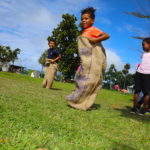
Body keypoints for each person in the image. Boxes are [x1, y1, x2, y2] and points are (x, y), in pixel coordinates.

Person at [66, 7, 110, 110]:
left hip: (93, 62)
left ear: (92, 20)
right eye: (82, 19)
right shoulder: (83, 32)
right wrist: (83, 58)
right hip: (86, 61)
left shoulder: (93, 30)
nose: (83, 20)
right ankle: (79, 101)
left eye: (86, 18)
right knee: (81, 80)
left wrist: (95, 40)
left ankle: (82, 103)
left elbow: (106, 35)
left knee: (89, 82)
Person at [131, 37, 150, 115]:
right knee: (137, 91)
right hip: (139, 73)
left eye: (144, 44)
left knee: (146, 93)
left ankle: (144, 109)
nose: (142, 46)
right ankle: (134, 107)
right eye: (142, 45)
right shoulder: (144, 54)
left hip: (148, 74)